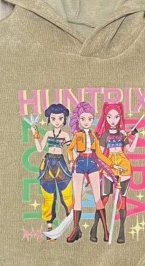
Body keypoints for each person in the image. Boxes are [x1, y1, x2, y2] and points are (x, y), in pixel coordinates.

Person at [66, 101, 119, 243]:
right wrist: (71, 160)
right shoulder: (77, 135)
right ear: (78, 119)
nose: (86, 122)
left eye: (89, 119)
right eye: (83, 119)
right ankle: (75, 230)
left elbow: (100, 155)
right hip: (80, 163)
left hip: (92, 164)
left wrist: (112, 165)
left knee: (97, 198)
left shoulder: (94, 136)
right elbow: (69, 149)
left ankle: (105, 230)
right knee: (77, 198)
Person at [90, 102, 139, 243]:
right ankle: (95, 227)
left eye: (116, 117)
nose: (113, 120)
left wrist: (135, 136)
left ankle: (121, 230)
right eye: (109, 117)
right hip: (110, 166)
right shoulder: (105, 135)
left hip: (124, 167)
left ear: (120, 117)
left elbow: (130, 150)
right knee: (104, 198)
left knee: (122, 199)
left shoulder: (123, 133)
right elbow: (99, 154)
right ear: (105, 117)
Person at [30, 103, 73, 235]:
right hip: (48, 163)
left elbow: (70, 150)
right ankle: (49, 224)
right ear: (49, 119)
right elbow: (39, 149)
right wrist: (35, 134)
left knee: (67, 193)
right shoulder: (48, 133)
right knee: (48, 195)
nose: (57, 121)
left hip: (61, 163)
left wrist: (72, 162)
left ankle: (71, 220)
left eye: (60, 118)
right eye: (53, 118)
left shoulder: (65, 135)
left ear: (64, 119)